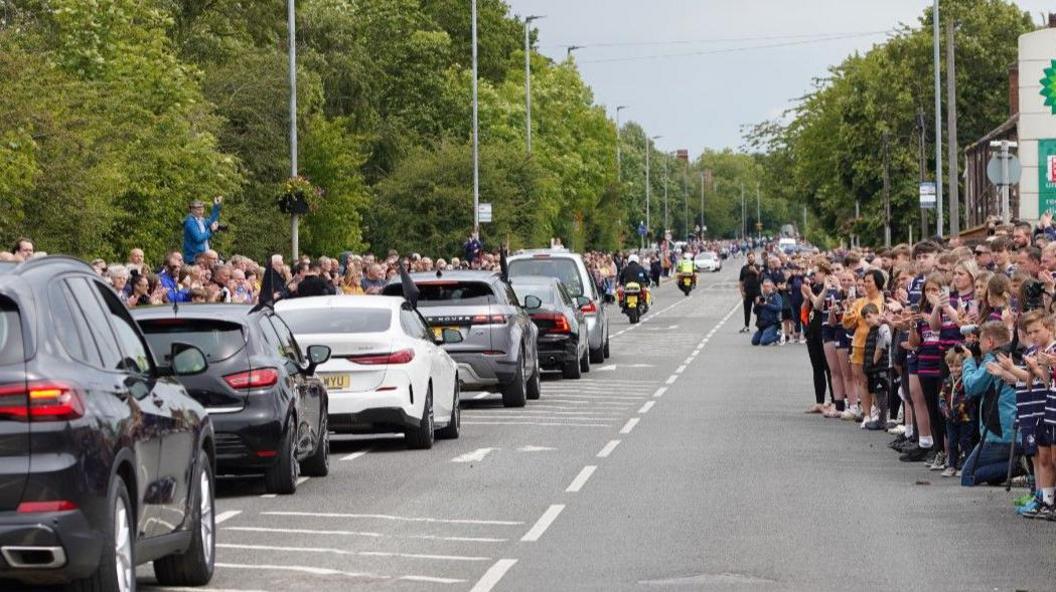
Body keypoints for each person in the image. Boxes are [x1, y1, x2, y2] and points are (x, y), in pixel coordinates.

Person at [959, 321, 1019, 487]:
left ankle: (1018, 466)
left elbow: (972, 386)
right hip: (1015, 431)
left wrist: (969, 361)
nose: (978, 345)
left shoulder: (994, 358)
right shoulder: (1013, 353)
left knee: (967, 476)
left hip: (1000, 435)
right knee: (989, 476)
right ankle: (1017, 463)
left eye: (980, 341)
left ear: (990, 341)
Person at [182, 196, 222, 265]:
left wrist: (216, 206)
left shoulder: (201, 220)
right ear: (191, 210)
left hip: (202, 257)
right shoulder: (190, 222)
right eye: (198, 209)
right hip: (193, 258)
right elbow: (198, 238)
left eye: (202, 209)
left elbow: (212, 221)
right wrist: (210, 230)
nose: (201, 211)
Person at [751, 278, 783, 346]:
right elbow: (754, 311)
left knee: (763, 341)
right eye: (764, 286)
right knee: (754, 342)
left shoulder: (776, 296)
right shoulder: (761, 297)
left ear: (771, 286)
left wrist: (766, 305)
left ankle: (779, 337)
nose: (766, 288)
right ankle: (766, 334)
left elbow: (779, 308)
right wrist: (757, 304)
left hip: (772, 324)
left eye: (767, 286)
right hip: (762, 325)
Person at [739, 252, 762, 333]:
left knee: (758, 309)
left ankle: (760, 326)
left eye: (751, 257)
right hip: (747, 292)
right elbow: (741, 281)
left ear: (754, 257)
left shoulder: (759, 267)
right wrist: (742, 292)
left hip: (757, 292)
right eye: (749, 257)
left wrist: (755, 271)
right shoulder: (744, 268)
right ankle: (746, 326)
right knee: (747, 310)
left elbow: (761, 277)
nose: (750, 258)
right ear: (747, 258)